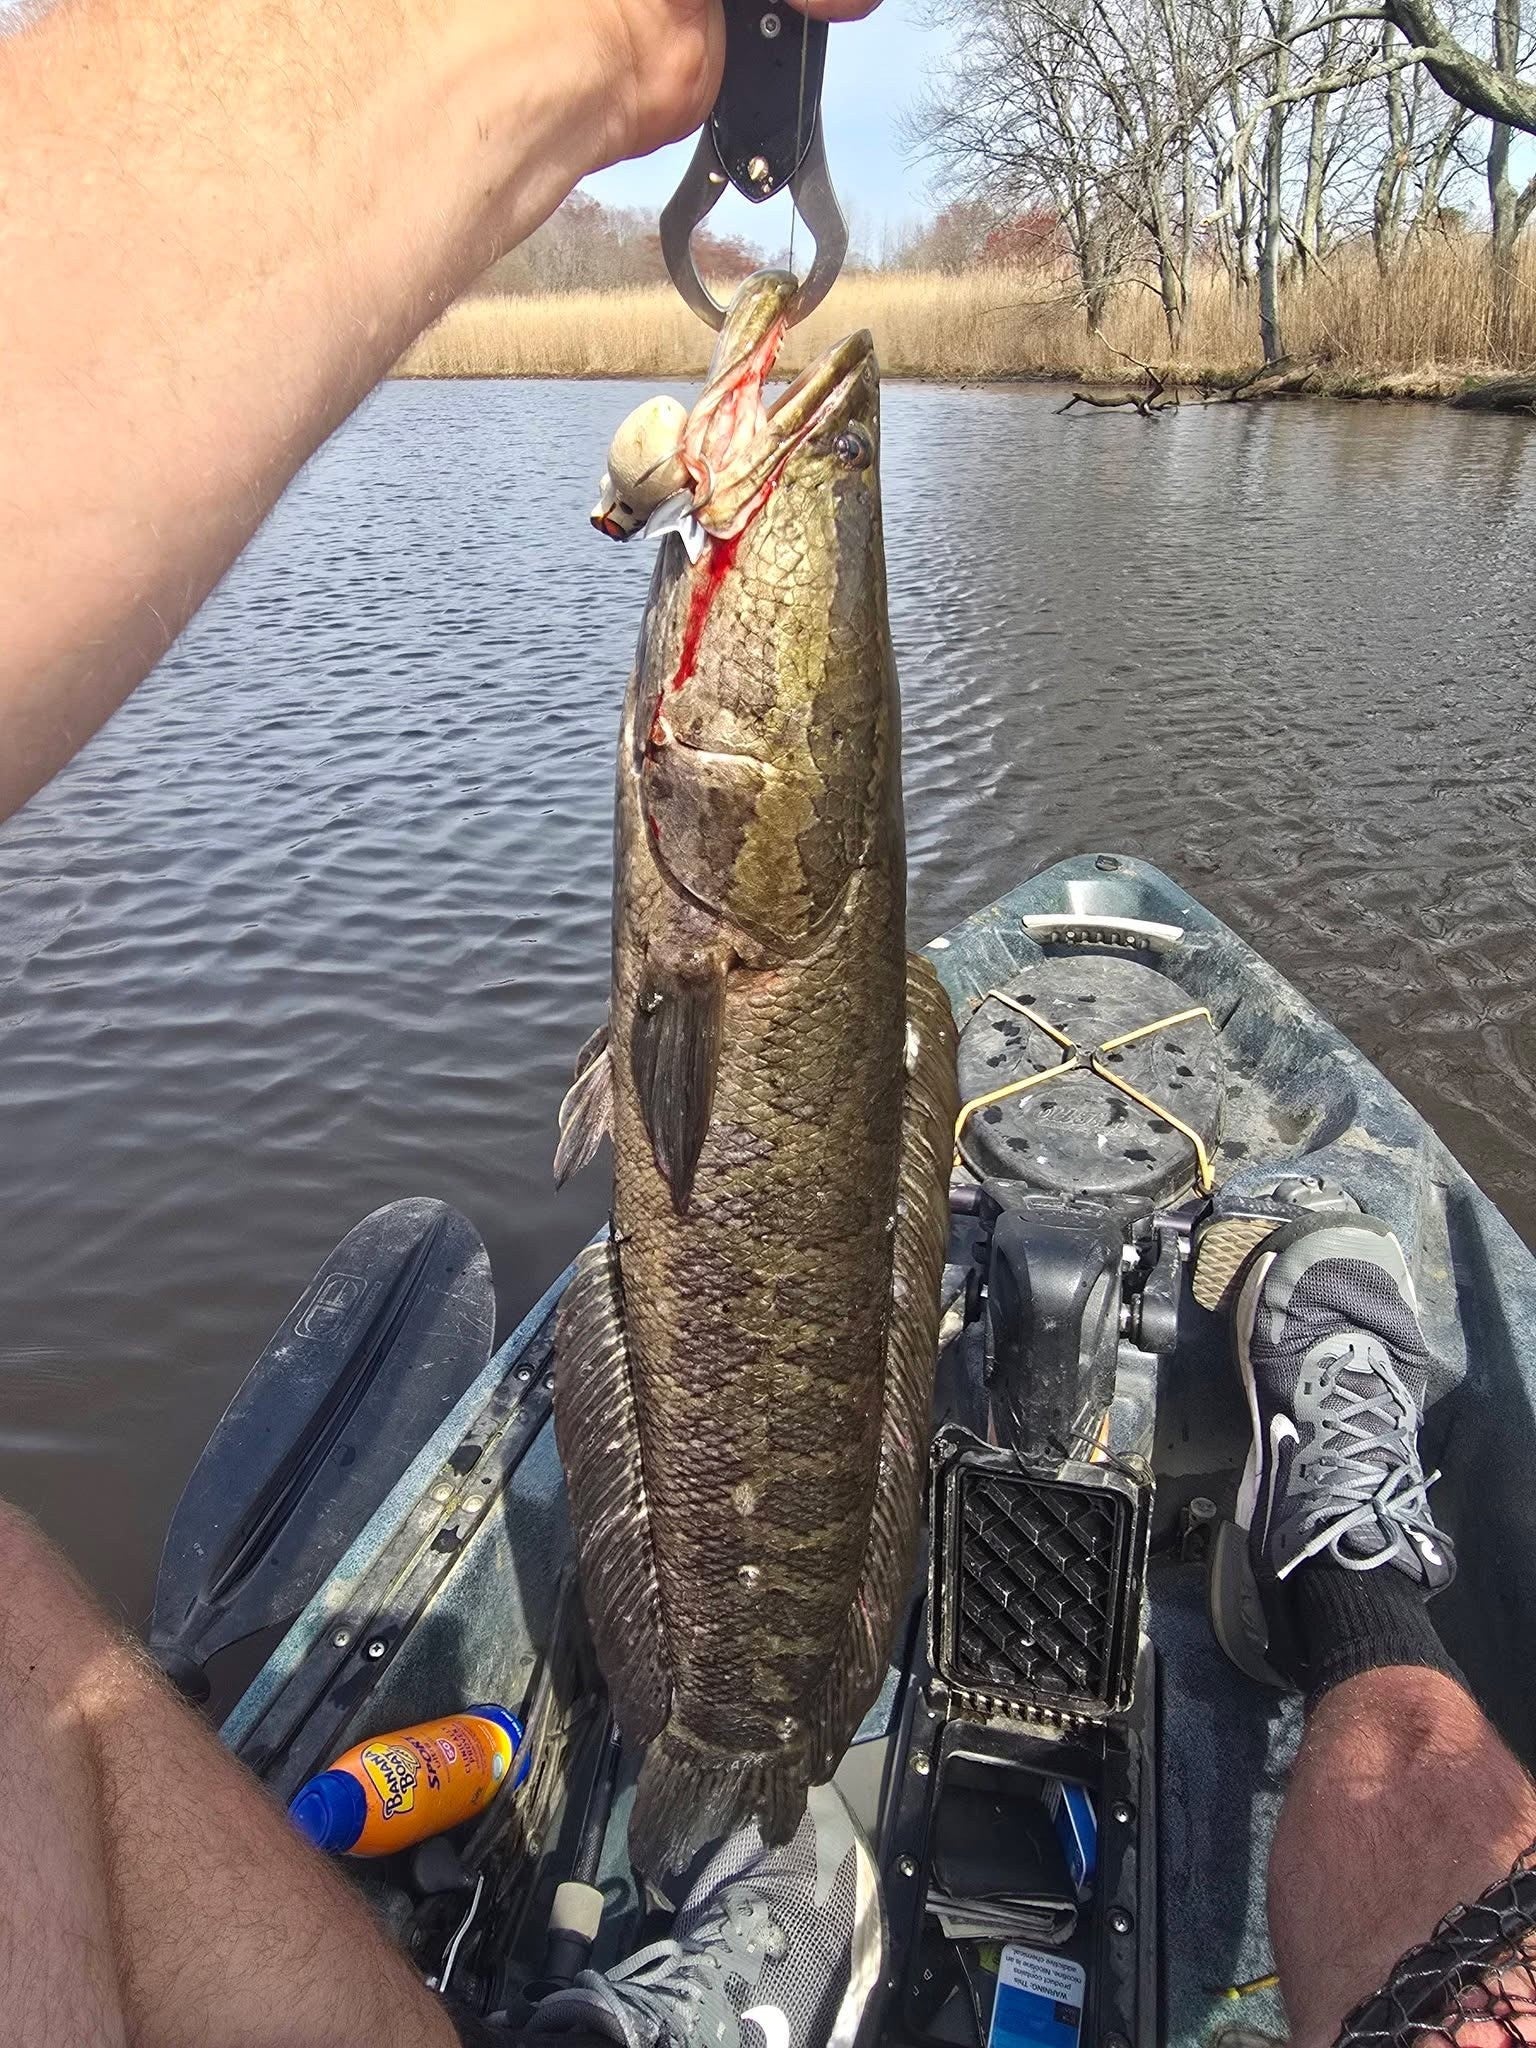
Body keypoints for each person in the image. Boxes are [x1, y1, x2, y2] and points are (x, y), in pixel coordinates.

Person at [2, 3, 1535, 2046]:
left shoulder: (733, 914)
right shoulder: (726, 895)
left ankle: (707, 1921)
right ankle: (1249, 1628)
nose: (814, 459)